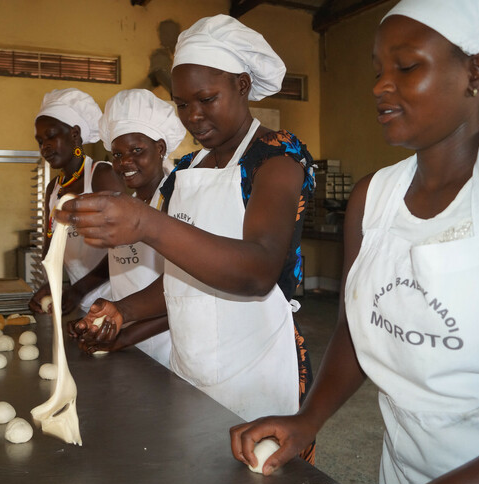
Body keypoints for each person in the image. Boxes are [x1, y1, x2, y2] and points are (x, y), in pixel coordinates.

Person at [230, 0, 479, 484]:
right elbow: (357, 329)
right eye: (377, 70)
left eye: (407, 66)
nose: (379, 86)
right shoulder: (374, 197)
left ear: (475, 71)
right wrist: (308, 418)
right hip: (398, 471)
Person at [57, 14, 315, 456]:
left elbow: (257, 269)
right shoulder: (185, 172)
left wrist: (147, 223)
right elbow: (183, 279)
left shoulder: (277, 159)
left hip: (256, 370)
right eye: (182, 104)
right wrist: (123, 310)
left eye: (206, 98)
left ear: (241, 85)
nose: (194, 116)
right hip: (190, 368)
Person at [70, 88, 186, 368]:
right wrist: (101, 322)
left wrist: (125, 334)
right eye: (117, 154)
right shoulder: (129, 204)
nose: (124, 163)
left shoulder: (175, 202)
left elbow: (182, 295)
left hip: (166, 348)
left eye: (137, 150)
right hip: (128, 338)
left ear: (160, 148)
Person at [29, 88, 125, 315]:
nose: (45, 147)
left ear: (74, 134)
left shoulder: (101, 175)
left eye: (51, 136)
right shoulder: (54, 189)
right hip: (79, 300)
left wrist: (78, 289)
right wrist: (53, 285)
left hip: (114, 299)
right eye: (40, 141)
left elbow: (123, 247)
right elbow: (49, 245)